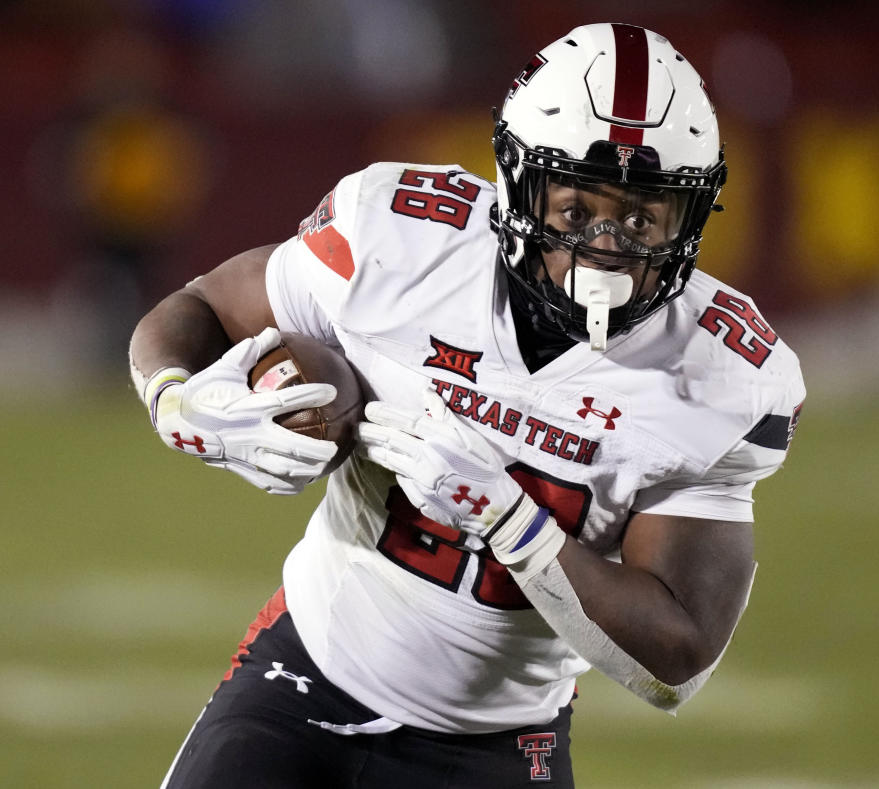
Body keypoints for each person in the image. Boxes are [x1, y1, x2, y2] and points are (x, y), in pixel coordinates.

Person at [130, 23, 805, 789]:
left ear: (690, 216)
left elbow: (673, 661)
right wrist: (181, 401)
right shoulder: (405, 243)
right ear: (519, 187)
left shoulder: (717, 374)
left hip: (497, 745)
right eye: (578, 210)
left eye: (644, 217)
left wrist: (513, 521)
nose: (608, 248)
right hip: (304, 677)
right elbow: (205, 305)